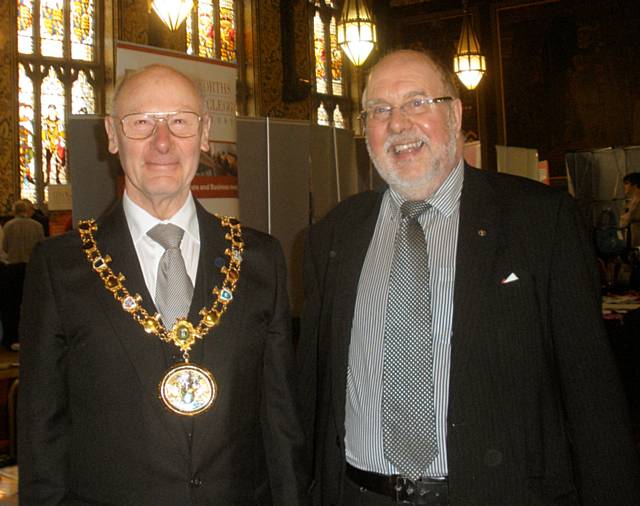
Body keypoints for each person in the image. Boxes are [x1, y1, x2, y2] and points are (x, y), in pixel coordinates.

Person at [298, 49, 640, 505]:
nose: (397, 124)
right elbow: (312, 394)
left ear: (454, 114)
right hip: (360, 495)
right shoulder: (335, 235)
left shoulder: (540, 221)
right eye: (380, 110)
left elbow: (591, 393)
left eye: (417, 102)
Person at [19, 64, 305, 505]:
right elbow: (42, 432)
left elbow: (281, 421)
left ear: (205, 133)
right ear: (112, 135)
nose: (162, 142)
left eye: (179, 121)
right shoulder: (60, 268)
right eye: (141, 123)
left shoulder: (259, 260)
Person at [0, 199, 44, 349]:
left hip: (13, 269)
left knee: (12, 305)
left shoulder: (8, 226)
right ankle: (32, 339)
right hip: (31, 268)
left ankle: (12, 339)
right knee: (31, 305)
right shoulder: (37, 225)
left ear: (14, 211)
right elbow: (41, 246)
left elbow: (4, 247)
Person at [620, 172, 640, 248]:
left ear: (635, 185)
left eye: (627, 183)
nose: (624, 186)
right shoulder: (629, 203)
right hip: (628, 240)